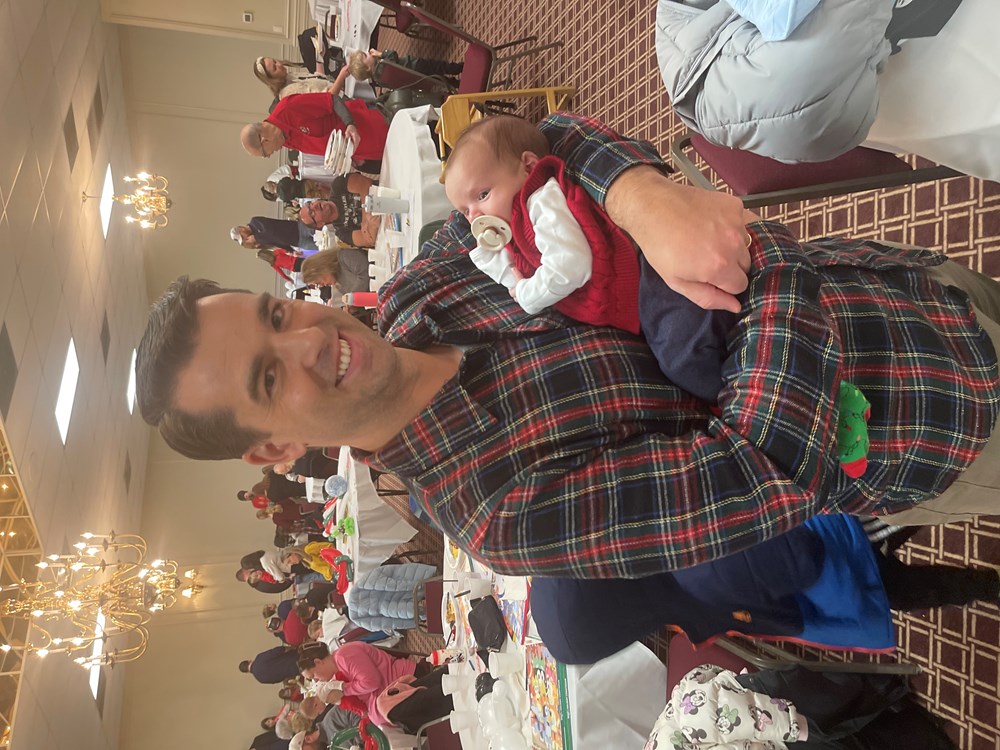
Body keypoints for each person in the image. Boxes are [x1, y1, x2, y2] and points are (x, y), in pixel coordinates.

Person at [136, 112, 1000, 578]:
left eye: (276, 315)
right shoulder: (500, 511)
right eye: (268, 376)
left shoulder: (420, 291)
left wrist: (644, 200)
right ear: (277, 449)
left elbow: (534, 150)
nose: (309, 339)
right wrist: (748, 247)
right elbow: (768, 466)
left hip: (895, 279)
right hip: (937, 415)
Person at [531, 513, 1000, 664]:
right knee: (915, 545)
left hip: (833, 547)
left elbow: (802, 557)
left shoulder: (691, 583)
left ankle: (986, 584)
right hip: (816, 551)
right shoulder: (659, 544)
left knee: (920, 526)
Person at [649, 664, 956, 749]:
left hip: (757, 708)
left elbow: (702, 711)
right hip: (755, 729)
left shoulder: (669, 741)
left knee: (827, 727)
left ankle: (891, 705)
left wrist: (795, 728)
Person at [240, 92, 389, 166]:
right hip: (363, 148)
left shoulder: (288, 108)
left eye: (265, 154)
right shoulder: (283, 140)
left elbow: (332, 100)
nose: (270, 154)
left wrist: (350, 123)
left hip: (368, 125)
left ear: (264, 140)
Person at [297, 641, 420, 726]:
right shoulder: (338, 670)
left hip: (407, 679)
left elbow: (372, 683)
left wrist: (343, 689)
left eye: (313, 676)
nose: (316, 680)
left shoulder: (344, 656)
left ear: (318, 662)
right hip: (398, 690)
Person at [298, 176, 378, 248]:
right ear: (320, 224)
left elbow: (365, 184)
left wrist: (366, 220)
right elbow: (368, 240)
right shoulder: (342, 232)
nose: (315, 206)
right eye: (312, 213)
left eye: (310, 204)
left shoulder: (337, 186)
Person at [347, 48, 463, 89]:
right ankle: (458, 68)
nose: (368, 53)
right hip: (414, 66)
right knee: (437, 67)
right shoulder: (382, 65)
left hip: (412, 79)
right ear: (368, 67)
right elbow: (393, 55)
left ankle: (455, 84)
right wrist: (381, 53)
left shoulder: (378, 80)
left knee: (436, 80)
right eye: (366, 55)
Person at [253, 56, 347, 101]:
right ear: (272, 79)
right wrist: (341, 76)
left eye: (275, 61)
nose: (279, 65)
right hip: (342, 101)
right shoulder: (289, 93)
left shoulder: (288, 76)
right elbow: (328, 99)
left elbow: (319, 79)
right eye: (275, 68)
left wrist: (320, 57)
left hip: (341, 92)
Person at [301, 248, 371, 295]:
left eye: (318, 282)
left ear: (320, 269)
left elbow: (367, 273)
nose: (322, 285)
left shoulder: (344, 257)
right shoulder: (339, 285)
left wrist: (352, 299)